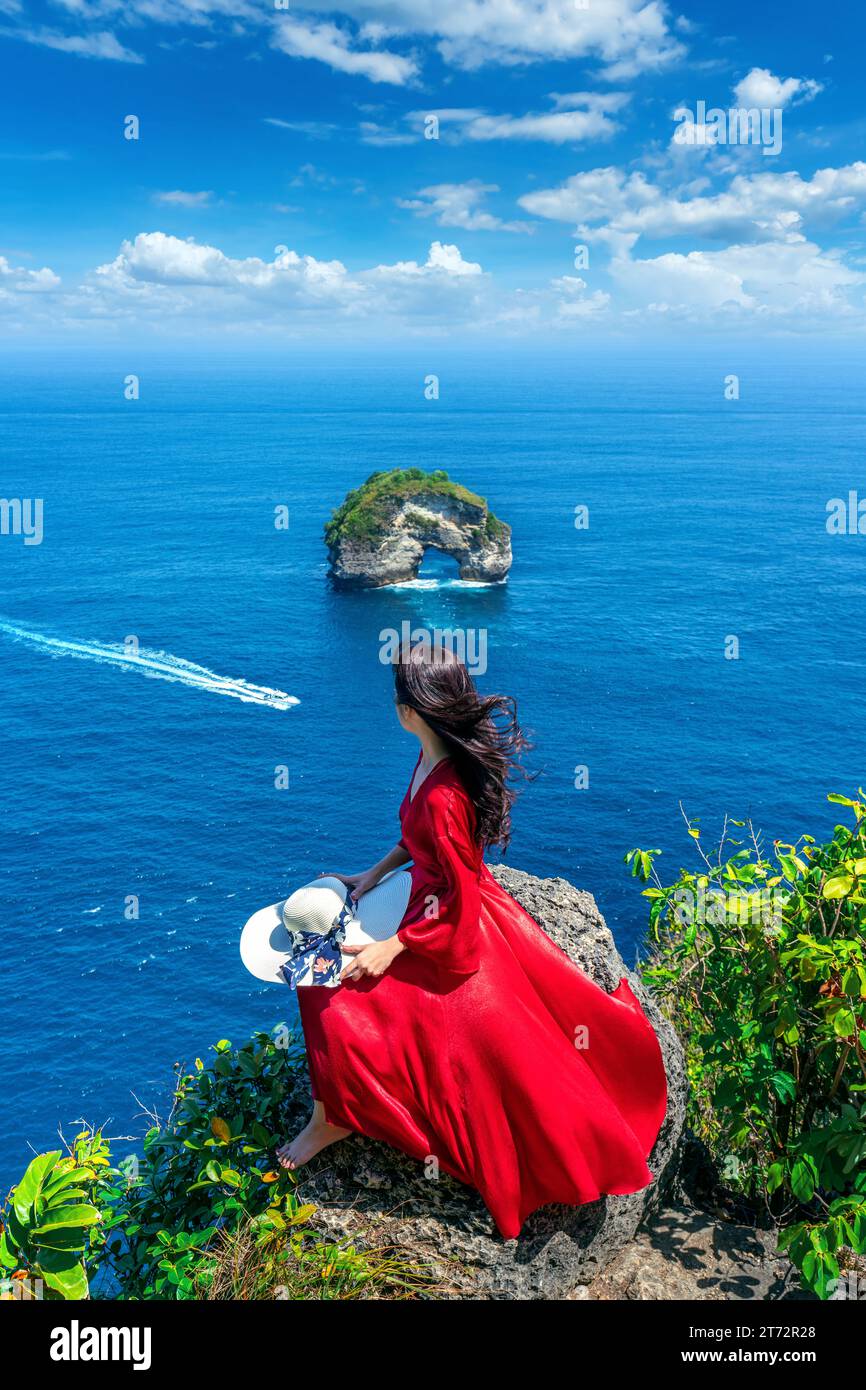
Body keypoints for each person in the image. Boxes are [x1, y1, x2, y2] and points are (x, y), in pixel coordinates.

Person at [277, 643, 667, 1240]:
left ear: (412, 711)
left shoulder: (445, 795)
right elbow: (418, 838)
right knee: (320, 977)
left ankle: (335, 1119)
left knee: (326, 996)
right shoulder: (431, 761)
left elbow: (459, 894)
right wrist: (374, 874)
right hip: (421, 900)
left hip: (445, 926)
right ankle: (333, 1112)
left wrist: (396, 947)